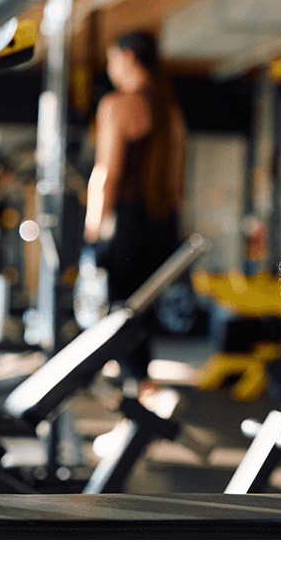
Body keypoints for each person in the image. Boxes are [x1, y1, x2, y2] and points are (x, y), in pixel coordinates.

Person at [84, 30, 187, 382]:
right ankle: (142, 389)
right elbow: (177, 187)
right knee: (140, 315)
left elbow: (106, 173)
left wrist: (93, 230)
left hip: (125, 226)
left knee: (119, 315)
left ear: (128, 58)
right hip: (161, 227)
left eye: (113, 59)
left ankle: (139, 391)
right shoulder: (171, 113)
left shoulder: (116, 105)